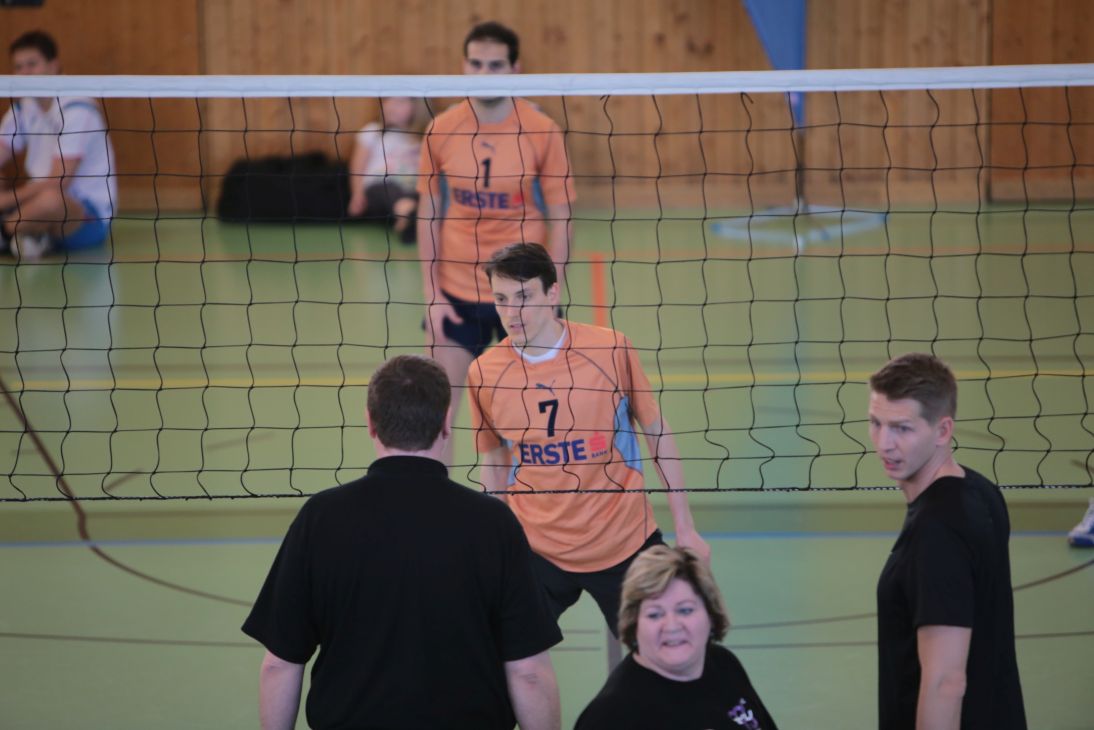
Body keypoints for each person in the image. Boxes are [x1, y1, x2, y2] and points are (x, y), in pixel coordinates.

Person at [242, 354, 562, 730]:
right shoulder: (493, 523)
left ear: (370, 423)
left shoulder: (321, 518)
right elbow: (528, 672)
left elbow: (280, 664)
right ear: (446, 423)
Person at [467, 242, 710, 636]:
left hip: (622, 541)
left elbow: (656, 431)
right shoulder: (484, 372)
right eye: (501, 299)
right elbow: (494, 462)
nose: (511, 313)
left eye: (524, 297)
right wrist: (493, 547)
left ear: (553, 293)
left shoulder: (610, 349)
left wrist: (686, 528)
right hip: (537, 548)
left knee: (669, 641)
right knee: (495, 646)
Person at [417, 21, 575, 460]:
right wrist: (432, 295)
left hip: (524, 292)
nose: (484, 73)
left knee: (523, 421)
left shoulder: (541, 129)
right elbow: (428, 212)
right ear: (463, 66)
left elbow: (562, 217)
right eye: (476, 64)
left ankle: (515, 505)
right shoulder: (441, 128)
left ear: (515, 68)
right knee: (437, 416)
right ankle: (434, 503)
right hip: (456, 291)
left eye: (495, 65)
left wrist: (550, 294)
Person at [869, 353, 1026, 729]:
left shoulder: (935, 533)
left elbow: (946, 682)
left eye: (902, 428)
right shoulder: (980, 491)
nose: (884, 444)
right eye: (876, 423)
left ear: (942, 431)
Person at [575, 545, 777, 729]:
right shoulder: (610, 716)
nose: (671, 626)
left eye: (685, 610)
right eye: (655, 614)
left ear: (710, 614)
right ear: (634, 623)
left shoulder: (724, 665)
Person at [0, 30, 116, 260]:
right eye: (19, 67)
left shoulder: (78, 109)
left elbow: (58, 181)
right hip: (33, 201)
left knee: (52, 199)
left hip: (85, 214)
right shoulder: (24, 108)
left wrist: (4, 201)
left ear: (53, 66)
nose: (24, 73)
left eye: (32, 64)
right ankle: (29, 233)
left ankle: (6, 232)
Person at [346, 96, 425, 244]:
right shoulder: (372, 132)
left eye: (400, 102)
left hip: (412, 188)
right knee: (391, 190)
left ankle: (410, 220)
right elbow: (357, 167)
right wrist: (357, 195)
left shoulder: (420, 137)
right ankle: (408, 217)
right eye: (387, 101)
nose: (391, 106)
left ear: (415, 107)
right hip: (378, 187)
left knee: (423, 194)